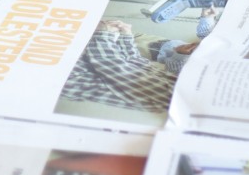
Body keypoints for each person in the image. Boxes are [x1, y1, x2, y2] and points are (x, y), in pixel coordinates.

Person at [60, 18, 198, 115]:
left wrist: (103, 34)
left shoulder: (171, 97)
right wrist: (126, 34)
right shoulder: (177, 81)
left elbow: (109, 63)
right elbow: (134, 60)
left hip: (70, 75)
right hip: (83, 61)